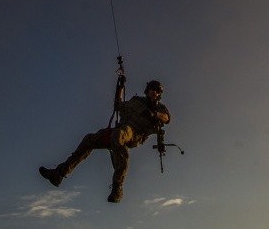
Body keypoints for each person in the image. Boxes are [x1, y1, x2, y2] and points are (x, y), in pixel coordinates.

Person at [38, 80, 171, 203]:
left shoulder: (159, 107)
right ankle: (59, 174)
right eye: (153, 89)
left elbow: (167, 118)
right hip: (119, 129)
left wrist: (155, 115)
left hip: (135, 133)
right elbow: (119, 106)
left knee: (119, 134)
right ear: (147, 90)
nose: (155, 92)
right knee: (89, 139)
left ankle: (117, 187)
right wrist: (119, 87)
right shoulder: (135, 100)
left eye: (158, 91)